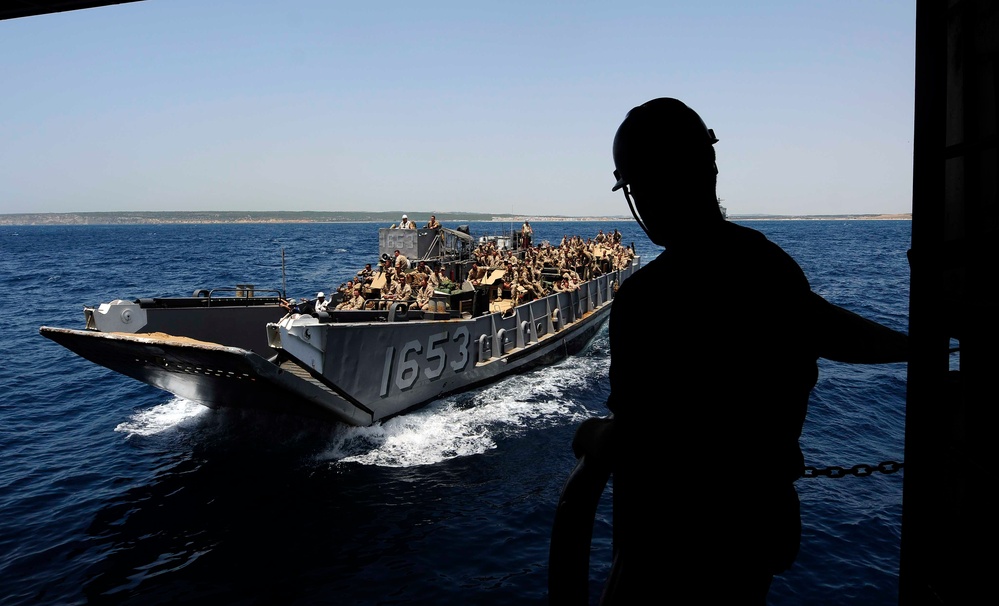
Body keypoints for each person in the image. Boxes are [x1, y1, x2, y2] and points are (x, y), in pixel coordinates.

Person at [577, 97, 909, 604]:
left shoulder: (647, 299)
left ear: (638, 192)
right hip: (756, 536)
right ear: (709, 167)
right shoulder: (770, 266)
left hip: (668, 551)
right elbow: (842, 335)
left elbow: (643, 440)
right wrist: (932, 342)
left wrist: (593, 436)